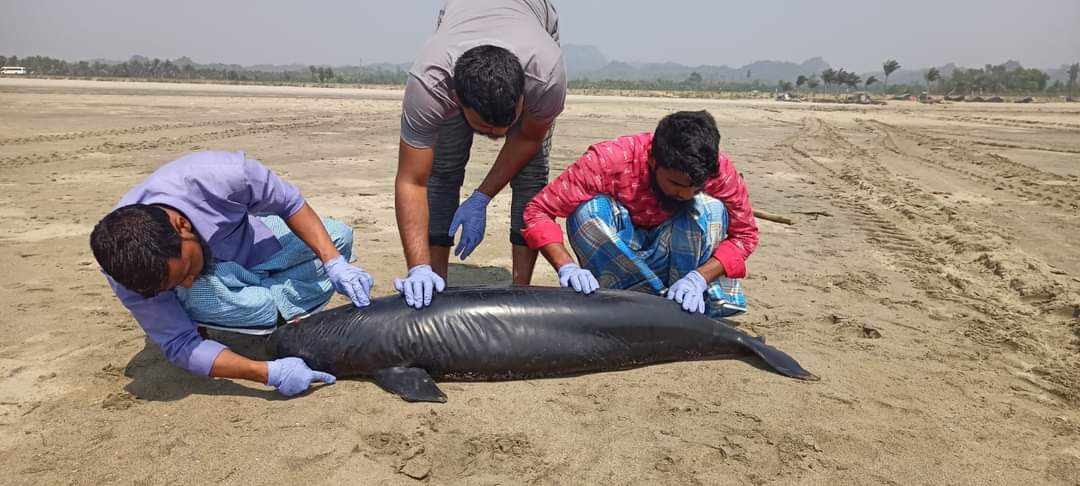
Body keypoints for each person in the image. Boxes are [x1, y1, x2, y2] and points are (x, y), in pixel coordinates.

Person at [90, 151, 373, 397]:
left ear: (182, 225)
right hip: (214, 281)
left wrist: (334, 262)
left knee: (337, 237)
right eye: (175, 284)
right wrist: (265, 372)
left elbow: (289, 203)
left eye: (186, 270)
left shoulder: (221, 176)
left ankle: (269, 301)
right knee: (258, 307)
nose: (188, 281)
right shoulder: (126, 268)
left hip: (251, 241)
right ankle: (262, 308)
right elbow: (180, 344)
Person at [394, 0, 565, 308]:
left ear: (523, 96)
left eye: (505, 125)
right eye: (484, 126)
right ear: (456, 99)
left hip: (533, 16)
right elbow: (412, 180)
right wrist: (416, 267)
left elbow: (527, 137)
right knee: (444, 169)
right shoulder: (431, 83)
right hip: (460, 18)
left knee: (531, 175)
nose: (496, 137)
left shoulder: (546, 75)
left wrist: (481, 197)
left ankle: (520, 290)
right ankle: (434, 282)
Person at [521, 111, 759, 318]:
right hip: (624, 256)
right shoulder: (608, 161)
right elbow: (538, 211)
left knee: (711, 209)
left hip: (678, 259)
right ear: (654, 161)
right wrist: (566, 266)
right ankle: (622, 300)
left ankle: (686, 299)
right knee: (587, 211)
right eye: (676, 184)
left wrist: (698, 278)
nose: (685, 195)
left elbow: (745, 236)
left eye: (695, 188)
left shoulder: (720, 171)